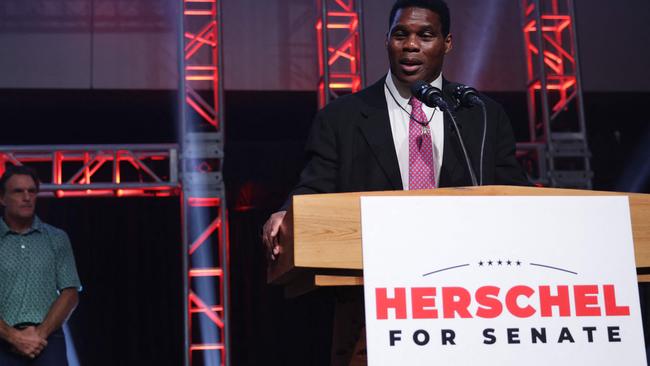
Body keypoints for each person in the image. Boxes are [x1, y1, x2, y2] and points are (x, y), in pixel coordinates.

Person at [263, 0, 529, 364]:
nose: (411, 45)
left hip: (470, 306)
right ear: (386, 40)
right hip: (371, 308)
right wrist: (286, 213)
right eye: (400, 34)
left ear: (447, 42)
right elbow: (314, 187)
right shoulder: (341, 119)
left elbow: (518, 197)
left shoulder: (481, 115)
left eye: (426, 35)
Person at [0, 165, 81, 366]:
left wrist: (39, 334)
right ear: (2, 199)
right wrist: (13, 337)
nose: (27, 197)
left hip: (47, 340)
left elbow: (70, 292)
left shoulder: (56, 238)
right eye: (18, 191)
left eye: (32, 191)